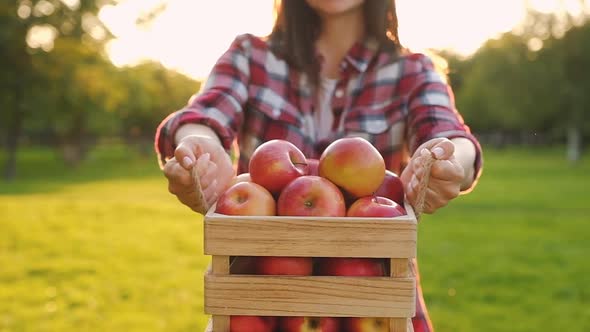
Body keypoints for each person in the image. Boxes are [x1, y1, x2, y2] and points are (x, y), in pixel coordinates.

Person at [155, 0, 483, 330]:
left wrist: (447, 161)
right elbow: (205, 115)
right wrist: (202, 148)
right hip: (257, 306)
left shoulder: (411, 70)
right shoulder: (250, 56)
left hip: (373, 306)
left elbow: (450, 135)